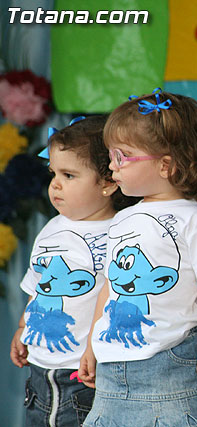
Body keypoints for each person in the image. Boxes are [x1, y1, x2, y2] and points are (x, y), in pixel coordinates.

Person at [78, 89, 197, 427]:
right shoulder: (121, 219)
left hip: (172, 372)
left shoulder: (195, 219)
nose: (111, 165)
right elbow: (109, 288)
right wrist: (91, 346)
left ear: (165, 165)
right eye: (111, 155)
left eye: (122, 156)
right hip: (111, 378)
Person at [9, 115, 137, 426]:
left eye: (68, 175)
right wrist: (23, 327)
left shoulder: (121, 233)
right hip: (39, 371)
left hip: (84, 374)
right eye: (53, 173)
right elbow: (39, 286)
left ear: (108, 183)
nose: (55, 184)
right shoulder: (51, 229)